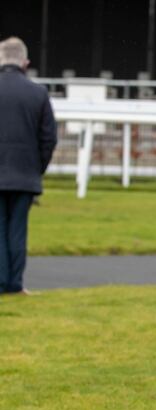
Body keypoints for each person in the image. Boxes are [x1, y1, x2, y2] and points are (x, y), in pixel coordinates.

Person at [0, 37, 56, 296]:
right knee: (17, 229)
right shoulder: (38, 93)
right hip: (25, 174)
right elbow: (48, 138)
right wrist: (37, 167)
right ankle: (15, 283)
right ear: (25, 62)